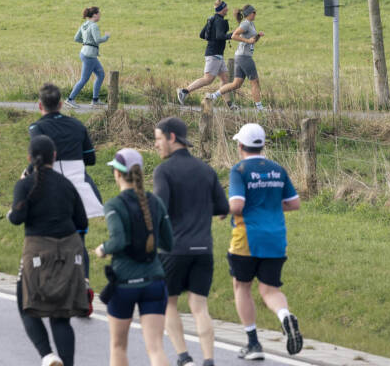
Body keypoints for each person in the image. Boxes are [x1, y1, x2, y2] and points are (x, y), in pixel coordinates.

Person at [153, 118, 229, 366]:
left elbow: (158, 208)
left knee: (169, 303)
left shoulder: (164, 171)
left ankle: (185, 358)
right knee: (199, 306)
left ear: (171, 137)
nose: (156, 145)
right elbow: (222, 206)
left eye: (158, 139)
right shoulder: (206, 170)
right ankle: (208, 359)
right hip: (203, 249)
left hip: (174, 250)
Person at [10, 134, 90, 366]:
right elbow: (82, 222)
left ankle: (47, 355)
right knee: (61, 316)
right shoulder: (66, 185)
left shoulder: (25, 185)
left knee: (25, 305)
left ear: (29, 158)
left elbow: (17, 218)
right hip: (68, 250)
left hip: (37, 250)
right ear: (54, 157)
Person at [226, 123, 303, 360]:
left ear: (240, 146)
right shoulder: (277, 169)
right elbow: (294, 203)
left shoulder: (239, 170)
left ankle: (253, 344)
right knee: (270, 289)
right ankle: (285, 316)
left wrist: (220, 208)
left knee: (242, 286)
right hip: (276, 237)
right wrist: (268, 206)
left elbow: (237, 205)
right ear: (263, 145)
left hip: (247, 237)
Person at [94, 148, 174, 366]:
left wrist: (103, 248)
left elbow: (118, 241)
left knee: (118, 346)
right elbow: (169, 243)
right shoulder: (155, 202)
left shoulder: (114, 205)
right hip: (154, 281)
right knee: (156, 348)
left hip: (124, 283)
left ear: (118, 174)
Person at [28, 82, 105, 293]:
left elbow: (38, 157)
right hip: (78, 190)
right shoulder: (78, 126)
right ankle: (85, 284)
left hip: (52, 191)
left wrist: (27, 175)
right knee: (78, 241)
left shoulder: (38, 128)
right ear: (61, 104)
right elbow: (90, 159)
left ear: (39, 106)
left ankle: (51, 285)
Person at [207, 5, 264, 111]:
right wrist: (248, 41)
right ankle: (260, 109)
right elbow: (234, 36)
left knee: (236, 84)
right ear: (250, 13)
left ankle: (212, 96)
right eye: (254, 12)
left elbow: (252, 40)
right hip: (244, 57)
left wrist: (258, 36)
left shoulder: (251, 24)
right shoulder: (245, 24)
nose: (255, 14)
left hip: (241, 56)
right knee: (255, 81)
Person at [177, 0, 233, 106]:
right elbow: (220, 36)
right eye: (226, 7)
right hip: (214, 54)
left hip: (216, 54)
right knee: (208, 79)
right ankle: (184, 91)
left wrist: (213, 38)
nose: (228, 9)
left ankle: (230, 105)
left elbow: (202, 35)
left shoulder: (211, 19)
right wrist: (232, 34)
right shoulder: (220, 21)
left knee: (225, 79)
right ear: (222, 9)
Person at [67, 6, 110, 108]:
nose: (100, 15)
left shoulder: (84, 25)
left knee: (101, 74)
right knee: (84, 79)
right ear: (94, 15)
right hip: (89, 55)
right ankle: (70, 99)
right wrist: (106, 37)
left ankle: (95, 100)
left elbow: (76, 38)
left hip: (85, 53)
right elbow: (97, 40)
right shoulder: (94, 26)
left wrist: (86, 43)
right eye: (99, 13)